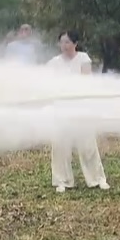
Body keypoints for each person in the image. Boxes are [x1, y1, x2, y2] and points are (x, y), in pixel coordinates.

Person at [47, 31, 110, 192]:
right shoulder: (54, 62)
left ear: (75, 44)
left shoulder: (83, 58)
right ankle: (62, 181)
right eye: (62, 42)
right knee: (61, 146)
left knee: (88, 145)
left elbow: (85, 81)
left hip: (81, 108)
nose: (64, 45)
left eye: (68, 42)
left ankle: (97, 179)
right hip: (61, 109)